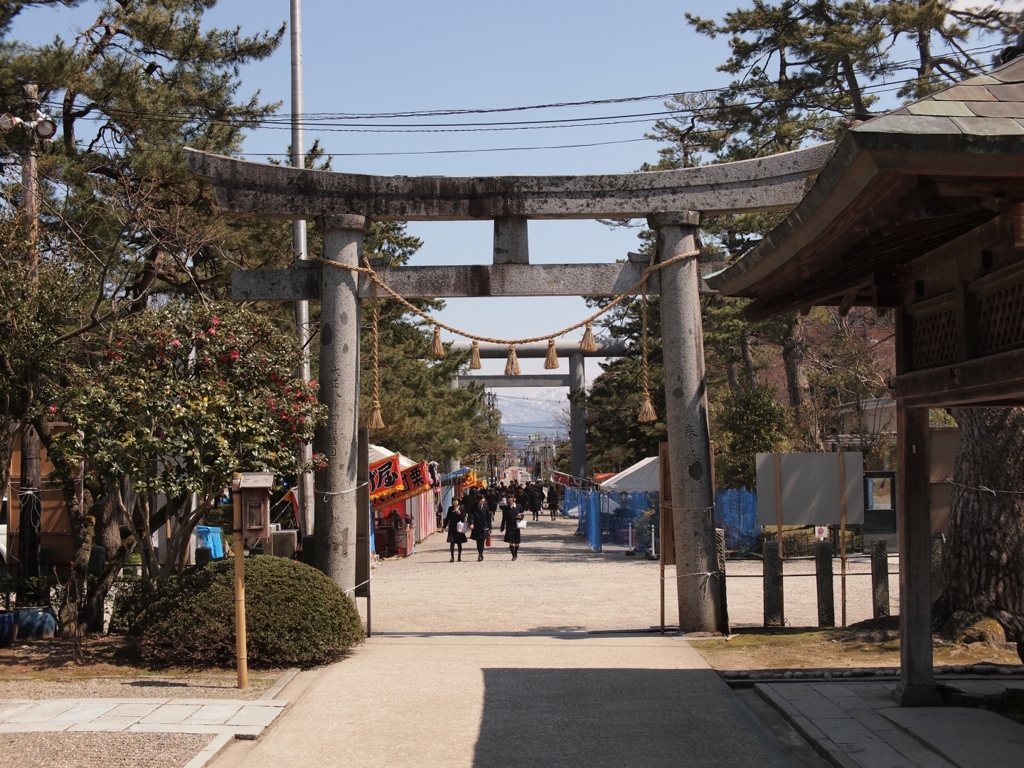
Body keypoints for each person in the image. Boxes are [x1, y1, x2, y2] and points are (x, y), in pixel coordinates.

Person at [442, 498, 467, 562]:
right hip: (452, 527)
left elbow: (463, 518)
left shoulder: (462, 508)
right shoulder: (450, 508)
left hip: (459, 528)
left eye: (456, 500)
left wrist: (459, 514)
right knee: (452, 542)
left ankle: (459, 557)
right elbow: (447, 518)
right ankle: (452, 557)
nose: (454, 502)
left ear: (458, 501)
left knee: (459, 543)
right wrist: (444, 526)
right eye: (453, 501)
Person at [500, 495, 524, 560]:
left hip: (516, 526)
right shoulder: (506, 508)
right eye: (509, 499)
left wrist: (520, 516)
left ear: (514, 499)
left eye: (512, 499)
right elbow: (504, 518)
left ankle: (515, 553)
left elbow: (522, 514)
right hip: (509, 526)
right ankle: (513, 555)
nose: (510, 500)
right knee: (511, 541)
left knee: (517, 542)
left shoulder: (519, 506)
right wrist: (502, 527)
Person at [468, 497, 491, 561]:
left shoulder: (486, 507)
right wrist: (471, 523)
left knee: (482, 540)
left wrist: (490, 527)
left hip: (484, 526)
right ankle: (480, 552)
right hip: (476, 526)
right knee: (478, 541)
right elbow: (471, 516)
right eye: (481, 500)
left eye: (483, 499)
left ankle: (480, 554)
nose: (483, 501)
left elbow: (488, 518)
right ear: (478, 500)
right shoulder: (473, 507)